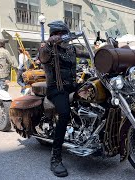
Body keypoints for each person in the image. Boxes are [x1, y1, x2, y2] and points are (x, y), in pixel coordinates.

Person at [38, 20, 89, 177]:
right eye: (59, 34)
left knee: (96, 94)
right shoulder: (48, 49)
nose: (63, 37)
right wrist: (48, 43)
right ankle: (56, 158)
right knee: (64, 113)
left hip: (72, 85)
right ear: (53, 35)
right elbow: (42, 57)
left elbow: (88, 54)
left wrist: (105, 50)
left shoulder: (71, 48)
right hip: (56, 90)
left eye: (65, 34)